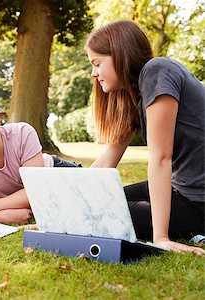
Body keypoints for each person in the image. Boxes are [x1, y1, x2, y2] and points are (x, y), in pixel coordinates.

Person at [85, 19, 204, 255]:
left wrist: (161, 238)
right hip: (180, 189)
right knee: (91, 205)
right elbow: (108, 160)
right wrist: (73, 197)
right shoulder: (134, 95)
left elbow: (161, 158)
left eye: (97, 64)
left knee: (99, 213)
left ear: (119, 54)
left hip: (199, 200)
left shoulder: (157, 71)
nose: (93, 73)